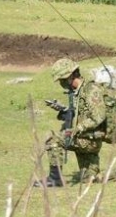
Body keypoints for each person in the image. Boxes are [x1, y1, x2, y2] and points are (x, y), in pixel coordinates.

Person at [35, 58, 108, 187]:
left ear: (70, 76)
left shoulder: (91, 90)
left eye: (62, 80)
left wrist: (78, 128)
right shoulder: (78, 92)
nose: (61, 83)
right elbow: (80, 113)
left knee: (53, 139)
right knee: (90, 178)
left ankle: (55, 178)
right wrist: (63, 110)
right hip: (85, 137)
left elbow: (99, 117)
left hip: (89, 140)